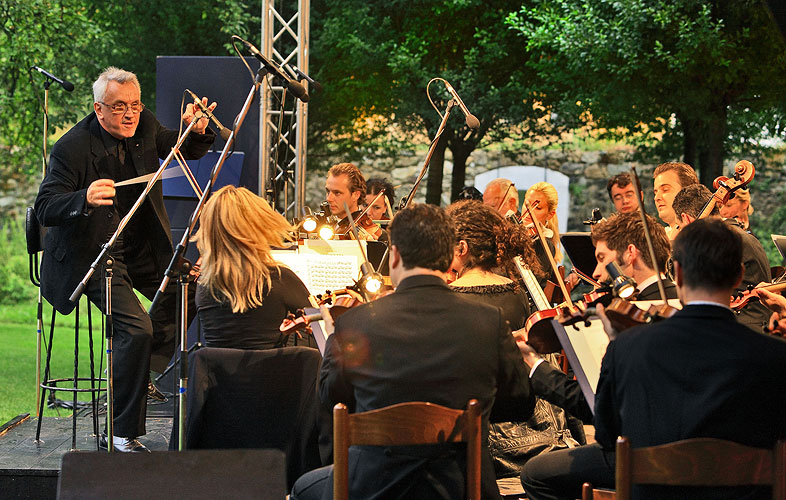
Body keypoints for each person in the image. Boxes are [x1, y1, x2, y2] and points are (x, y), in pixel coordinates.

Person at [520, 218, 786, 500]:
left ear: (679, 274)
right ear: (738, 276)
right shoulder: (775, 355)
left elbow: (608, 434)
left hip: (655, 491)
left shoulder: (627, 345)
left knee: (537, 475)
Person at [290, 203, 536, 500]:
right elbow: (521, 403)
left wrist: (332, 338)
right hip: (461, 485)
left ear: (394, 256)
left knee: (302, 489)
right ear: (449, 259)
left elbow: (333, 399)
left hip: (373, 485)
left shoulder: (356, 323)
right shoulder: (488, 322)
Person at [35, 67, 217, 452]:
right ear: (99, 110)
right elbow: (45, 207)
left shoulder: (143, 123)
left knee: (198, 286)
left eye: (135, 105)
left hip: (139, 248)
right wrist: (82, 198)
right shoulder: (71, 147)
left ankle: (140, 369)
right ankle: (121, 433)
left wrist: (196, 130)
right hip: (94, 254)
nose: (130, 114)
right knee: (136, 329)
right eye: (119, 108)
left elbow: (178, 145)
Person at [446, 200, 580, 479]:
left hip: (484, 432)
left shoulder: (449, 298)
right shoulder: (516, 292)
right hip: (530, 420)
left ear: (462, 248)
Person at [192, 186, 312, 350]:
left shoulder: (204, 288)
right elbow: (320, 321)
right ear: (255, 227)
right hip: (273, 374)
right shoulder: (278, 278)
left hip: (221, 375)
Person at [672, 183, 771, 333]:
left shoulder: (720, 240)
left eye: (679, 226)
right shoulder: (734, 234)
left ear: (686, 219)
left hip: (743, 328)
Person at [590, 212, 676, 300]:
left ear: (630, 253)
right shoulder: (684, 298)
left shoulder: (642, 308)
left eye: (602, 258)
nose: (595, 274)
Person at [324, 162, 379, 239]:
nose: (329, 198)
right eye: (328, 191)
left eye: (337, 193)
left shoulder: (371, 232)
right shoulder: (328, 224)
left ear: (355, 195)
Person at [652, 161, 699, 239]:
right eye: (655, 192)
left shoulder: (709, 231)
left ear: (688, 192)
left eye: (665, 190)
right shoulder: (662, 237)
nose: (656, 197)